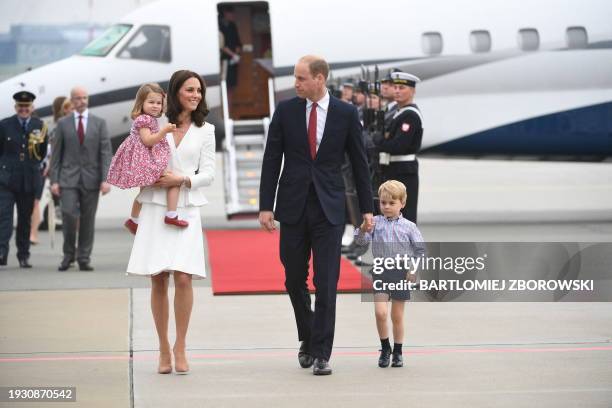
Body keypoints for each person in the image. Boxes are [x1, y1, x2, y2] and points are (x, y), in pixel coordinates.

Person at [259, 55, 374, 376]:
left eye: (300, 78)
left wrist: (368, 209)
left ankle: (322, 352)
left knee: (326, 282)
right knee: (294, 278)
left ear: (319, 79)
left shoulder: (346, 113)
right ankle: (308, 336)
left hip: (329, 208)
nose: (295, 84)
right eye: (295, 78)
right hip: (293, 206)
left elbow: (360, 163)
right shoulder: (286, 111)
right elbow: (271, 160)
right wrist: (265, 205)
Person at [127, 70, 215, 375]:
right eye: (190, 89)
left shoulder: (206, 130)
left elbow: (209, 174)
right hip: (154, 205)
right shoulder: (154, 125)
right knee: (158, 278)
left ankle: (181, 345)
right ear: (176, 92)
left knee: (184, 278)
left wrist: (183, 179)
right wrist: (152, 180)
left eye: (199, 91)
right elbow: (138, 160)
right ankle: (163, 347)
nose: (196, 95)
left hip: (186, 208)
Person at [353, 180, 425, 368]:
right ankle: (385, 348)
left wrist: (413, 269)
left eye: (391, 203)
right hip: (381, 271)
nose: (386, 207)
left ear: (402, 203)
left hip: (401, 272)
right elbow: (360, 242)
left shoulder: (409, 227)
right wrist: (362, 228)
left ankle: (398, 351)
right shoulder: (375, 223)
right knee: (380, 312)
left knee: (397, 316)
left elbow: (420, 250)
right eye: (383, 203)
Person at [106, 83, 190, 234]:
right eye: (151, 102)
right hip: (144, 159)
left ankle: (133, 220)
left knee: (145, 191)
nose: (155, 106)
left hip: (145, 157)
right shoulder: (144, 120)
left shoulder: (151, 118)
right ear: (141, 103)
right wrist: (164, 131)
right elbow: (148, 141)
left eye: (158, 103)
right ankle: (171, 214)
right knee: (173, 181)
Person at [50, 86, 113, 271]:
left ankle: (84, 257)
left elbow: (105, 153)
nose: (82, 101)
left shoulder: (99, 123)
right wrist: (54, 180)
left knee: (88, 219)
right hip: (67, 178)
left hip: (92, 179)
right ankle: (68, 255)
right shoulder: (63, 123)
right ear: (71, 100)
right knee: (68, 215)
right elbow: (56, 155)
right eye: (78, 98)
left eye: (85, 97)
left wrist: (105, 179)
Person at [0, 91, 48, 268]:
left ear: (32, 108)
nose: (23, 109)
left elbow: (41, 153)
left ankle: (23, 255)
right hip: (6, 180)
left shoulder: (40, 126)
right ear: (16, 107)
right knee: (3, 217)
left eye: (27, 107)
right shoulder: (5, 125)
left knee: (24, 220)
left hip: (28, 180)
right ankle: (2, 252)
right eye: (20, 107)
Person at [373, 71, 423, 223]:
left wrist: (378, 142)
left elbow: (398, 146)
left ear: (412, 91)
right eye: (395, 87)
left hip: (403, 171)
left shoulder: (410, 115)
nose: (397, 91)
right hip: (393, 168)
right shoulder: (398, 113)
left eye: (402, 88)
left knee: (403, 216)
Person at [30, 96, 72, 243]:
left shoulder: (53, 127)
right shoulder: (57, 128)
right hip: (60, 169)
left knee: (40, 199)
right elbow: (53, 151)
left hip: (53, 168)